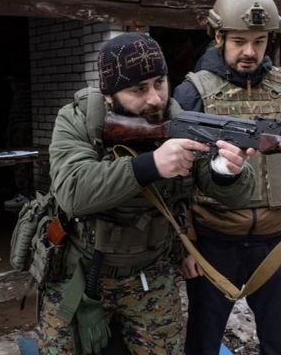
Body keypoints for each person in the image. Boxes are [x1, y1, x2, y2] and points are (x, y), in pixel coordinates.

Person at [38, 32, 257, 354]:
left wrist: (226, 172)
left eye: (159, 82)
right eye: (138, 89)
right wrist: (151, 164)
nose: (155, 98)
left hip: (151, 273)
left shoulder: (180, 119)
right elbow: (74, 191)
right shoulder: (78, 119)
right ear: (109, 95)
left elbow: (235, 195)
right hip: (79, 271)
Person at [173, 0, 281, 355]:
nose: (250, 51)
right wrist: (186, 242)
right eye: (240, 41)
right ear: (219, 37)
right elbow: (177, 177)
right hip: (214, 242)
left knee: (280, 345)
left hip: (277, 243)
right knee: (202, 343)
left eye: (259, 41)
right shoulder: (191, 93)